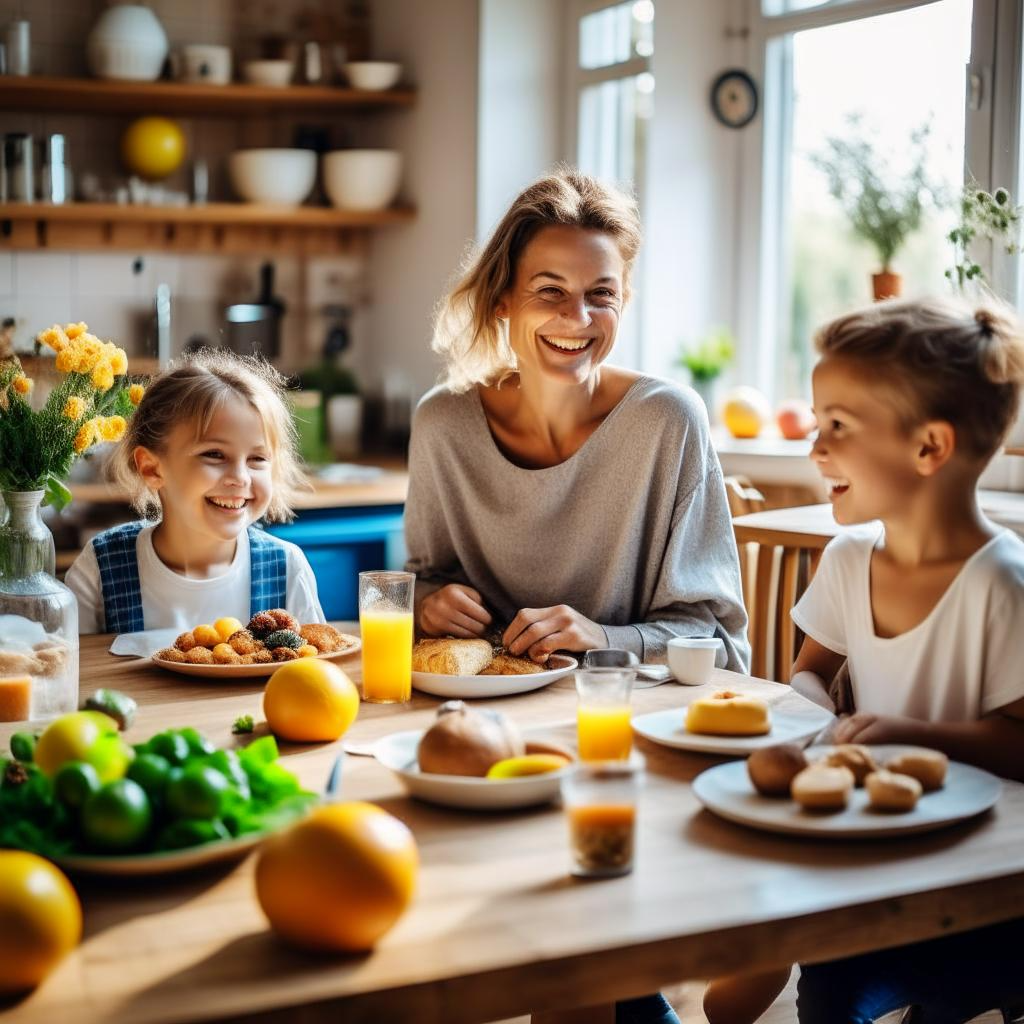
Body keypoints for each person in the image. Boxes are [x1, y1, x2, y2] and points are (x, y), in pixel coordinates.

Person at [703, 295, 1024, 1024]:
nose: (816, 449)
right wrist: (817, 710)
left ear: (928, 448)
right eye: (817, 425)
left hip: (984, 897)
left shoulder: (1003, 585)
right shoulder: (849, 559)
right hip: (874, 866)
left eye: (838, 428)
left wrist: (907, 732)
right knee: (813, 996)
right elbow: (810, 670)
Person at [404, 168, 749, 674]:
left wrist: (603, 637)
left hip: (620, 712)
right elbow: (423, 582)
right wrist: (428, 605)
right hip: (478, 704)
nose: (579, 316)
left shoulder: (668, 422)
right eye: (550, 290)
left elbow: (718, 642)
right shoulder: (442, 423)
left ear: (623, 300)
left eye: (601, 294)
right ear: (502, 299)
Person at [66, 348, 324, 634]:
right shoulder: (100, 567)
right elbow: (71, 671)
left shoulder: (287, 568)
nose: (240, 478)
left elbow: (313, 671)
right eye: (214, 454)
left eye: (257, 459)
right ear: (152, 468)